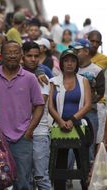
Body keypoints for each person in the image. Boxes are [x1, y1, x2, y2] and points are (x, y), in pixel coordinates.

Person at [0, 41, 45, 190]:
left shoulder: (30, 78)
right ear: (1, 55)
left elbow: (39, 105)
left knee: (23, 181)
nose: (12, 55)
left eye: (15, 52)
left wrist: (29, 131)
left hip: (22, 139)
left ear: (21, 55)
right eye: (8, 52)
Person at [48, 49, 91, 190]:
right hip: (59, 126)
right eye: (66, 60)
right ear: (61, 63)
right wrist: (60, 121)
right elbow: (50, 106)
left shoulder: (83, 80)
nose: (69, 63)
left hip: (79, 125)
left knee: (82, 162)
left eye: (73, 60)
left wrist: (72, 119)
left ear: (77, 63)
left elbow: (88, 105)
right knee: (59, 163)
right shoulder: (54, 81)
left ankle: (86, 187)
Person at [22, 41, 51, 190]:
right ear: (22, 56)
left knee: (41, 177)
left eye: (36, 56)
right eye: (29, 56)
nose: (33, 59)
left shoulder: (43, 78)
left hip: (39, 132)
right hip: (19, 133)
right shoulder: (17, 76)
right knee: (23, 178)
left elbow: (37, 104)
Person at [88, 30, 107, 144]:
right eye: (92, 41)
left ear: (100, 44)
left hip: (98, 102)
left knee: (96, 139)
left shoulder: (103, 59)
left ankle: (94, 161)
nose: (94, 44)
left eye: (97, 42)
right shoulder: (80, 56)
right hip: (80, 101)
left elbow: (92, 72)